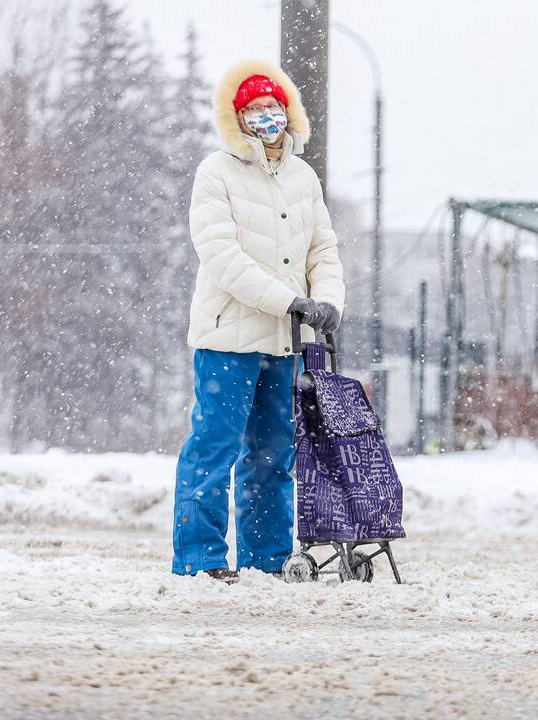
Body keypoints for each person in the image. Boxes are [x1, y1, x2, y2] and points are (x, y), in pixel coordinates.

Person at [171, 59, 345, 584]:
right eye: (254, 110)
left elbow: (323, 250)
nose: (266, 118)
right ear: (237, 119)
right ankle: (199, 560)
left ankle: (266, 558)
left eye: (272, 107)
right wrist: (288, 301)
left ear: (287, 113)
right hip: (228, 337)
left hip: (285, 341)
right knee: (214, 449)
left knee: (273, 455)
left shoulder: (303, 177)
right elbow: (223, 257)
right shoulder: (216, 173)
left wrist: (329, 300)